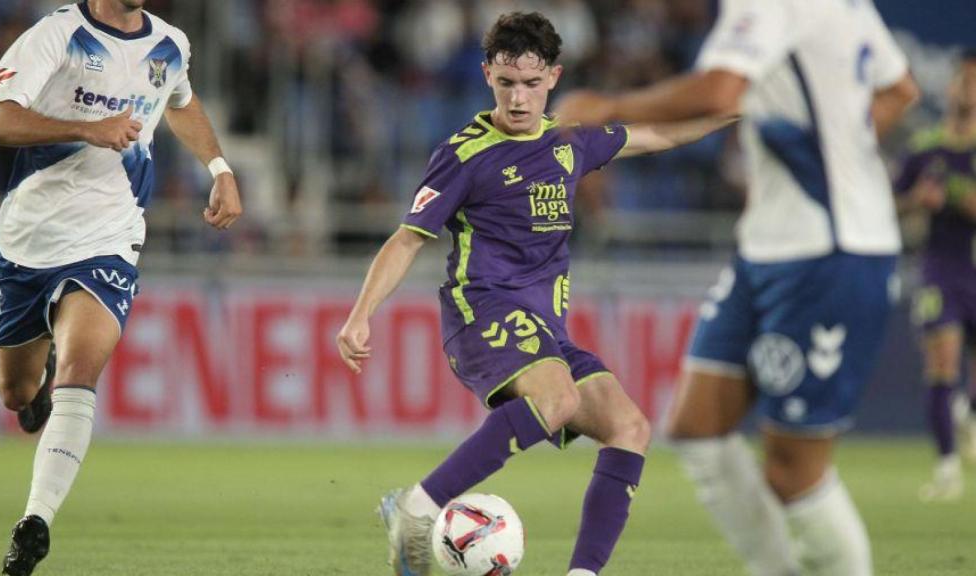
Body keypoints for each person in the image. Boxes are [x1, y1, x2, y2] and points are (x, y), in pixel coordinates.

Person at [336, 12, 734, 576]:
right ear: (486, 77)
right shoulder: (464, 154)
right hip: (482, 309)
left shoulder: (569, 140)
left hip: (545, 329)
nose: (518, 98)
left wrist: (736, 109)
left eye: (529, 83)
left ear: (553, 77)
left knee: (630, 428)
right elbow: (407, 239)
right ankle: (417, 508)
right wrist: (361, 315)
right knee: (559, 400)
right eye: (505, 83)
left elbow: (662, 134)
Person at [555, 1, 918, 575]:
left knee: (793, 472)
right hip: (768, 248)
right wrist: (836, 153)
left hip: (829, 252)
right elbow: (900, 90)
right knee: (696, 429)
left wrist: (608, 107)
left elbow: (722, 90)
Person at [0, 1, 242, 574]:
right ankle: (38, 380)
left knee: (83, 368)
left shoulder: (170, 44)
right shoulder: (57, 35)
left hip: (110, 237)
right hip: (29, 240)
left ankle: (35, 522)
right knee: (16, 393)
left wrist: (219, 168)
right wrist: (87, 127)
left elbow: (181, 100)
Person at [896, 50, 976, 502]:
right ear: (950, 86)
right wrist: (915, 201)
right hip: (940, 268)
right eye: (963, 79)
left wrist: (963, 199)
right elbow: (892, 201)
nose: (968, 88)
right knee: (942, 363)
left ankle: (967, 416)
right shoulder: (925, 146)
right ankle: (947, 468)